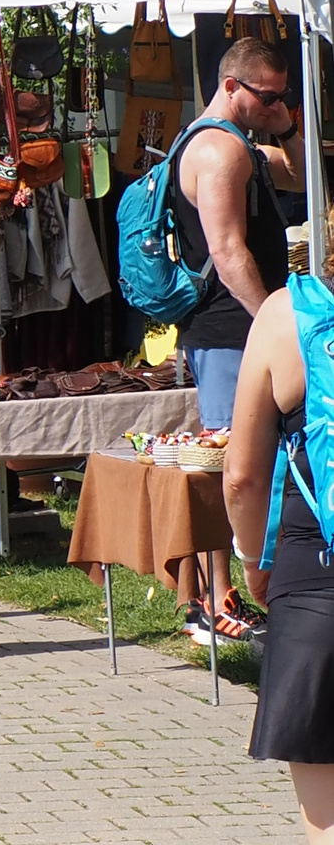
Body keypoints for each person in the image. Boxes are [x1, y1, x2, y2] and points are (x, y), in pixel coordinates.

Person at [170, 36, 303, 645]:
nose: (274, 104)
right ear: (230, 86)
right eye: (266, 94)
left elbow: (306, 174)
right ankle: (216, 600)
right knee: (236, 464)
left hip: (242, 333)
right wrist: (274, 320)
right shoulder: (219, 151)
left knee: (255, 461)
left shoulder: (245, 141)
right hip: (231, 333)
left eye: (281, 94)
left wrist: (286, 120)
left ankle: (234, 594)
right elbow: (226, 252)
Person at [223, 283, 334, 842]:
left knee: (328, 820)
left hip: (315, 576)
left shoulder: (288, 315)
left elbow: (241, 477)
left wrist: (252, 560)